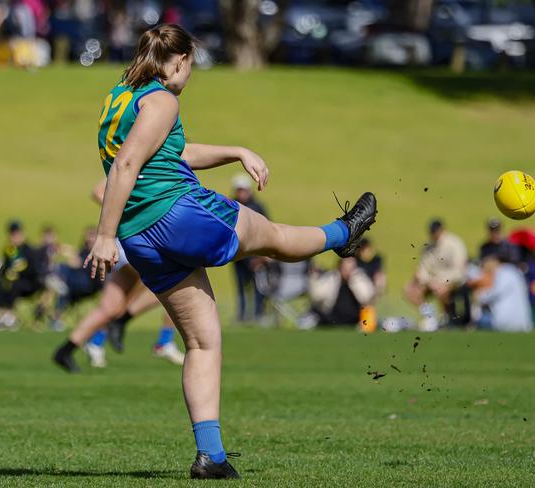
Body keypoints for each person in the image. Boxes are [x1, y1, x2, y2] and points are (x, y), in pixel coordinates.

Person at [81, 24, 376, 480]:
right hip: (180, 216)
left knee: (202, 340)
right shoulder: (162, 99)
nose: (190, 75)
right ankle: (343, 234)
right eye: (191, 66)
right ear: (178, 61)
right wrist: (104, 236)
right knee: (275, 238)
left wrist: (236, 150)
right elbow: (127, 164)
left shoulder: (119, 96)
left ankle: (211, 456)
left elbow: (171, 151)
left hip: (143, 239)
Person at [53, 179, 185, 372]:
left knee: (109, 307)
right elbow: (98, 191)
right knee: (171, 280)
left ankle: (66, 350)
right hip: (132, 241)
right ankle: (129, 325)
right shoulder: (136, 164)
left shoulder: (145, 165)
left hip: (125, 244)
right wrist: (131, 214)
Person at [403, 219, 467, 329]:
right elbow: (423, 269)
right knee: (409, 289)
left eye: (436, 231)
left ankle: (447, 318)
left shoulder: (454, 243)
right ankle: (430, 316)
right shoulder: (428, 248)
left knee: (440, 289)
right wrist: (426, 280)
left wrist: (439, 280)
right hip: (432, 282)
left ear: (442, 230)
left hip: (453, 281)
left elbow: (459, 271)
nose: (434, 234)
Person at [0, 220, 45, 330]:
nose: (14, 237)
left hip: (29, 285)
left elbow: (34, 272)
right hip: (12, 284)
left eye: (16, 234)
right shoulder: (9, 250)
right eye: (12, 234)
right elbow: (5, 269)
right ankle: (3, 312)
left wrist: (18, 270)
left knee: (15, 283)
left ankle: (9, 315)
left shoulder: (29, 250)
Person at [230, 174, 268, 322]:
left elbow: (267, 230)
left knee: (258, 287)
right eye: (239, 190)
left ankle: (258, 314)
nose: (241, 193)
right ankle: (242, 315)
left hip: (255, 255)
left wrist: (261, 256)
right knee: (240, 287)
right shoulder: (232, 206)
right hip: (238, 255)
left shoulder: (257, 207)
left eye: (243, 190)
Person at [302, 257, 376, 327]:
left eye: (351, 267)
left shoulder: (359, 278)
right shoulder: (332, 277)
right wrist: (313, 278)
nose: (348, 270)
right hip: (331, 317)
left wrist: (354, 282)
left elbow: (367, 298)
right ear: (340, 266)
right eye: (345, 267)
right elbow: (316, 296)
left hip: (355, 317)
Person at [475, 256, 532, 332]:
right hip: (522, 321)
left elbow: (496, 292)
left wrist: (480, 296)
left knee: (480, 320)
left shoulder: (504, 272)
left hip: (506, 321)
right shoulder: (513, 271)